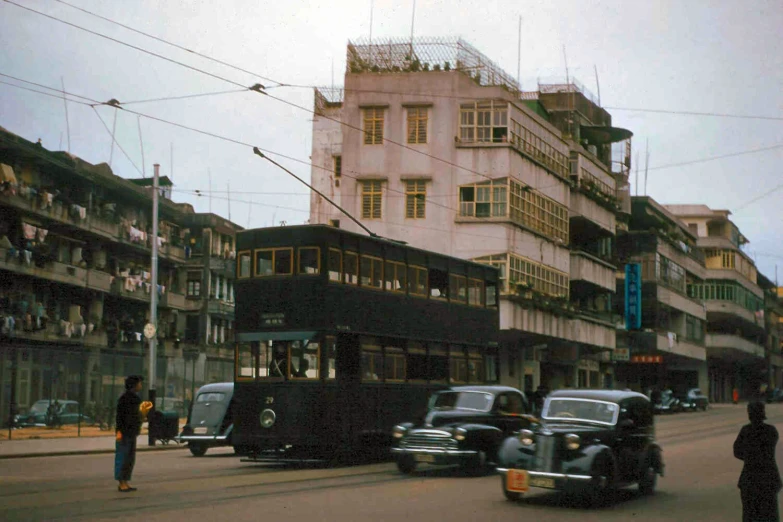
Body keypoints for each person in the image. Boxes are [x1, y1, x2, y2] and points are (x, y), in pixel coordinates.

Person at [733, 401, 781, 521]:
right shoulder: (770, 431)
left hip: (749, 479)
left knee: (750, 514)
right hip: (768, 478)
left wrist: (749, 457)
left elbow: (737, 452)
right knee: (769, 514)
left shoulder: (746, 431)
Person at [115, 375, 153, 493]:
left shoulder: (135, 399)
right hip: (125, 433)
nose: (141, 386)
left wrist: (143, 416)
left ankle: (125, 481)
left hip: (132, 432)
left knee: (130, 458)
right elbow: (121, 418)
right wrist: (119, 432)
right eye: (139, 383)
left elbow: (137, 416)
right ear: (134, 385)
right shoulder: (125, 399)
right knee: (123, 457)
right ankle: (122, 482)